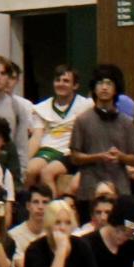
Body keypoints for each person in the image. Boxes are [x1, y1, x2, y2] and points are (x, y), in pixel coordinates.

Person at [69, 69, 134, 206]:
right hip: (89, 189)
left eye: (109, 83)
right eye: (100, 83)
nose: (104, 87)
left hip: (119, 188)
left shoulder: (126, 122)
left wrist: (120, 156)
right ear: (94, 89)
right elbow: (74, 157)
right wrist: (99, 156)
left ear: (115, 89)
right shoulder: (82, 120)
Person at [25, 65, 90, 194]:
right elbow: (36, 137)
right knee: (29, 170)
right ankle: (26, 205)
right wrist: (23, 161)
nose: (61, 84)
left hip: (69, 152)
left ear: (75, 85)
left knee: (47, 173)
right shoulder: (42, 108)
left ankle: (53, 210)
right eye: (58, 80)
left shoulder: (86, 105)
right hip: (48, 150)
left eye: (66, 81)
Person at [8, 187, 51, 267]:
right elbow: (21, 266)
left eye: (45, 202)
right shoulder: (13, 235)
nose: (40, 207)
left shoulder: (54, 234)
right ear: (28, 206)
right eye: (36, 202)